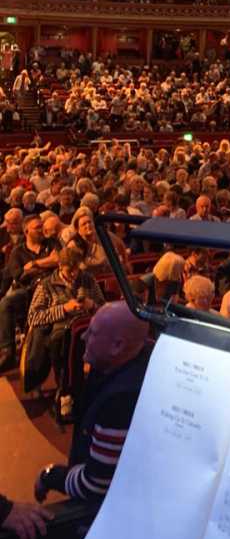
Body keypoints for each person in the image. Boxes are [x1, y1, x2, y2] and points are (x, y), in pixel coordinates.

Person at [34, 302, 150, 506]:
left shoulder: (122, 400)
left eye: (93, 332)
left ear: (117, 346)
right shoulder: (120, 363)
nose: (83, 336)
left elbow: (95, 485)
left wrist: (50, 474)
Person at [26, 245, 105, 397]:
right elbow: (33, 317)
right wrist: (64, 309)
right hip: (61, 329)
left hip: (87, 325)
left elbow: (104, 309)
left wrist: (92, 305)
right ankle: (64, 388)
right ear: (60, 266)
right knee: (61, 340)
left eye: (77, 269)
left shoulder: (87, 279)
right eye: (70, 270)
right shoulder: (47, 285)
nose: (75, 274)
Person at [0, 215, 59, 372]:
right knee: (6, 303)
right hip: (28, 291)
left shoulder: (52, 243)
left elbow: (59, 260)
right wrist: (48, 263)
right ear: (27, 231)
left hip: (53, 288)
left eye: (42, 226)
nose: (42, 230)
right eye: (37, 227)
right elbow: (19, 275)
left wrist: (34, 264)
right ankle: (8, 351)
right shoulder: (17, 252)